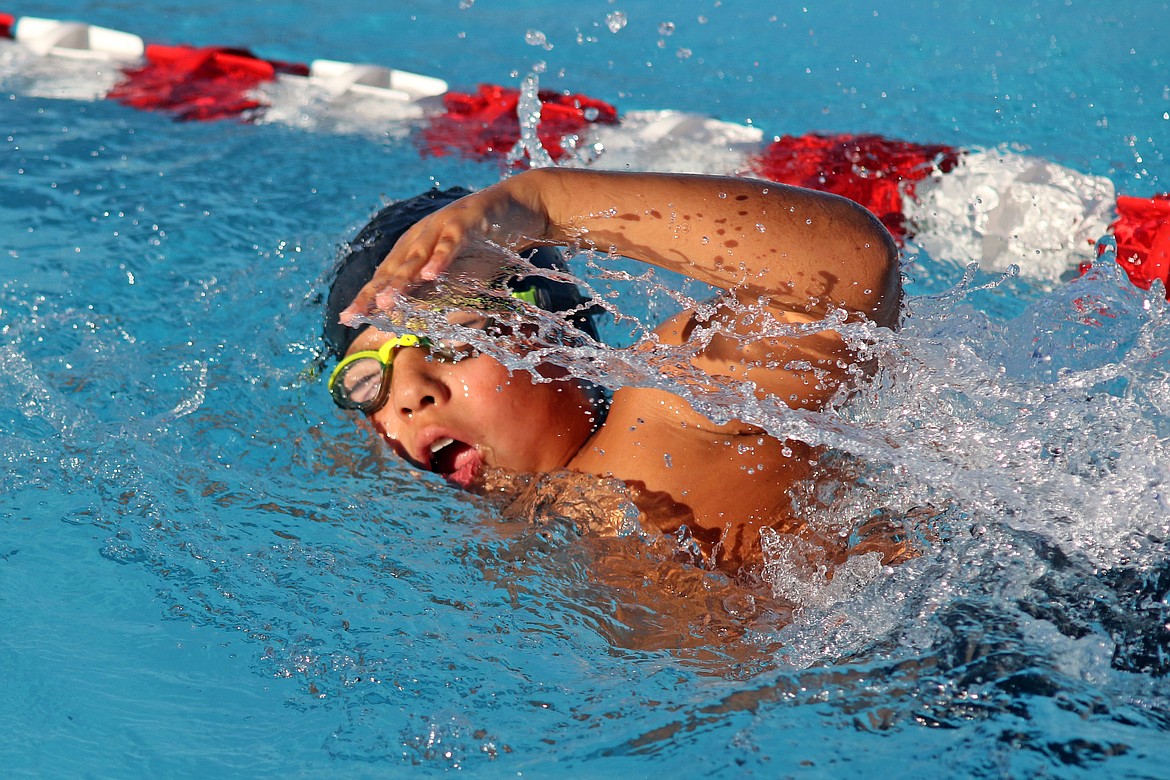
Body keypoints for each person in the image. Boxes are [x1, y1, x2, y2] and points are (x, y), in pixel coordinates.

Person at [327, 168, 902, 572]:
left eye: (453, 338)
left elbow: (849, 274)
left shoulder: (671, 415)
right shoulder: (487, 537)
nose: (410, 397)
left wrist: (546, 205)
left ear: (554, 332)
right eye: (366, 380)